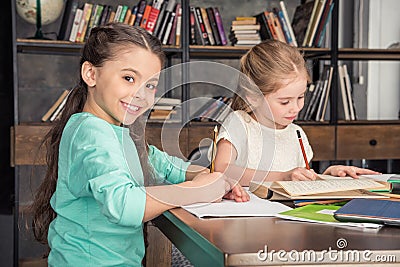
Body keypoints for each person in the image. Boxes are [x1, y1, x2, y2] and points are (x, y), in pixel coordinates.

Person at [30, 23, 248, 266]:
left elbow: (163, 166)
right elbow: (123, 205)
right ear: (91, 74)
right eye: (129, 78)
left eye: (150, 85)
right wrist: (197, 190)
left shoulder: (118, 131)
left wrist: (215, 178)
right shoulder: (91, 131)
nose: (141, 95)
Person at [213, 40, 379, 186]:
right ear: (253, 98)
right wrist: (282, 177)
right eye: (285, 102)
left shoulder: (296, 133)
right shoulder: (240, 123)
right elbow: (222, 169)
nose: (296, 108)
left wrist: (329, 176)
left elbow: (300, 180)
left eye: (301, 97)